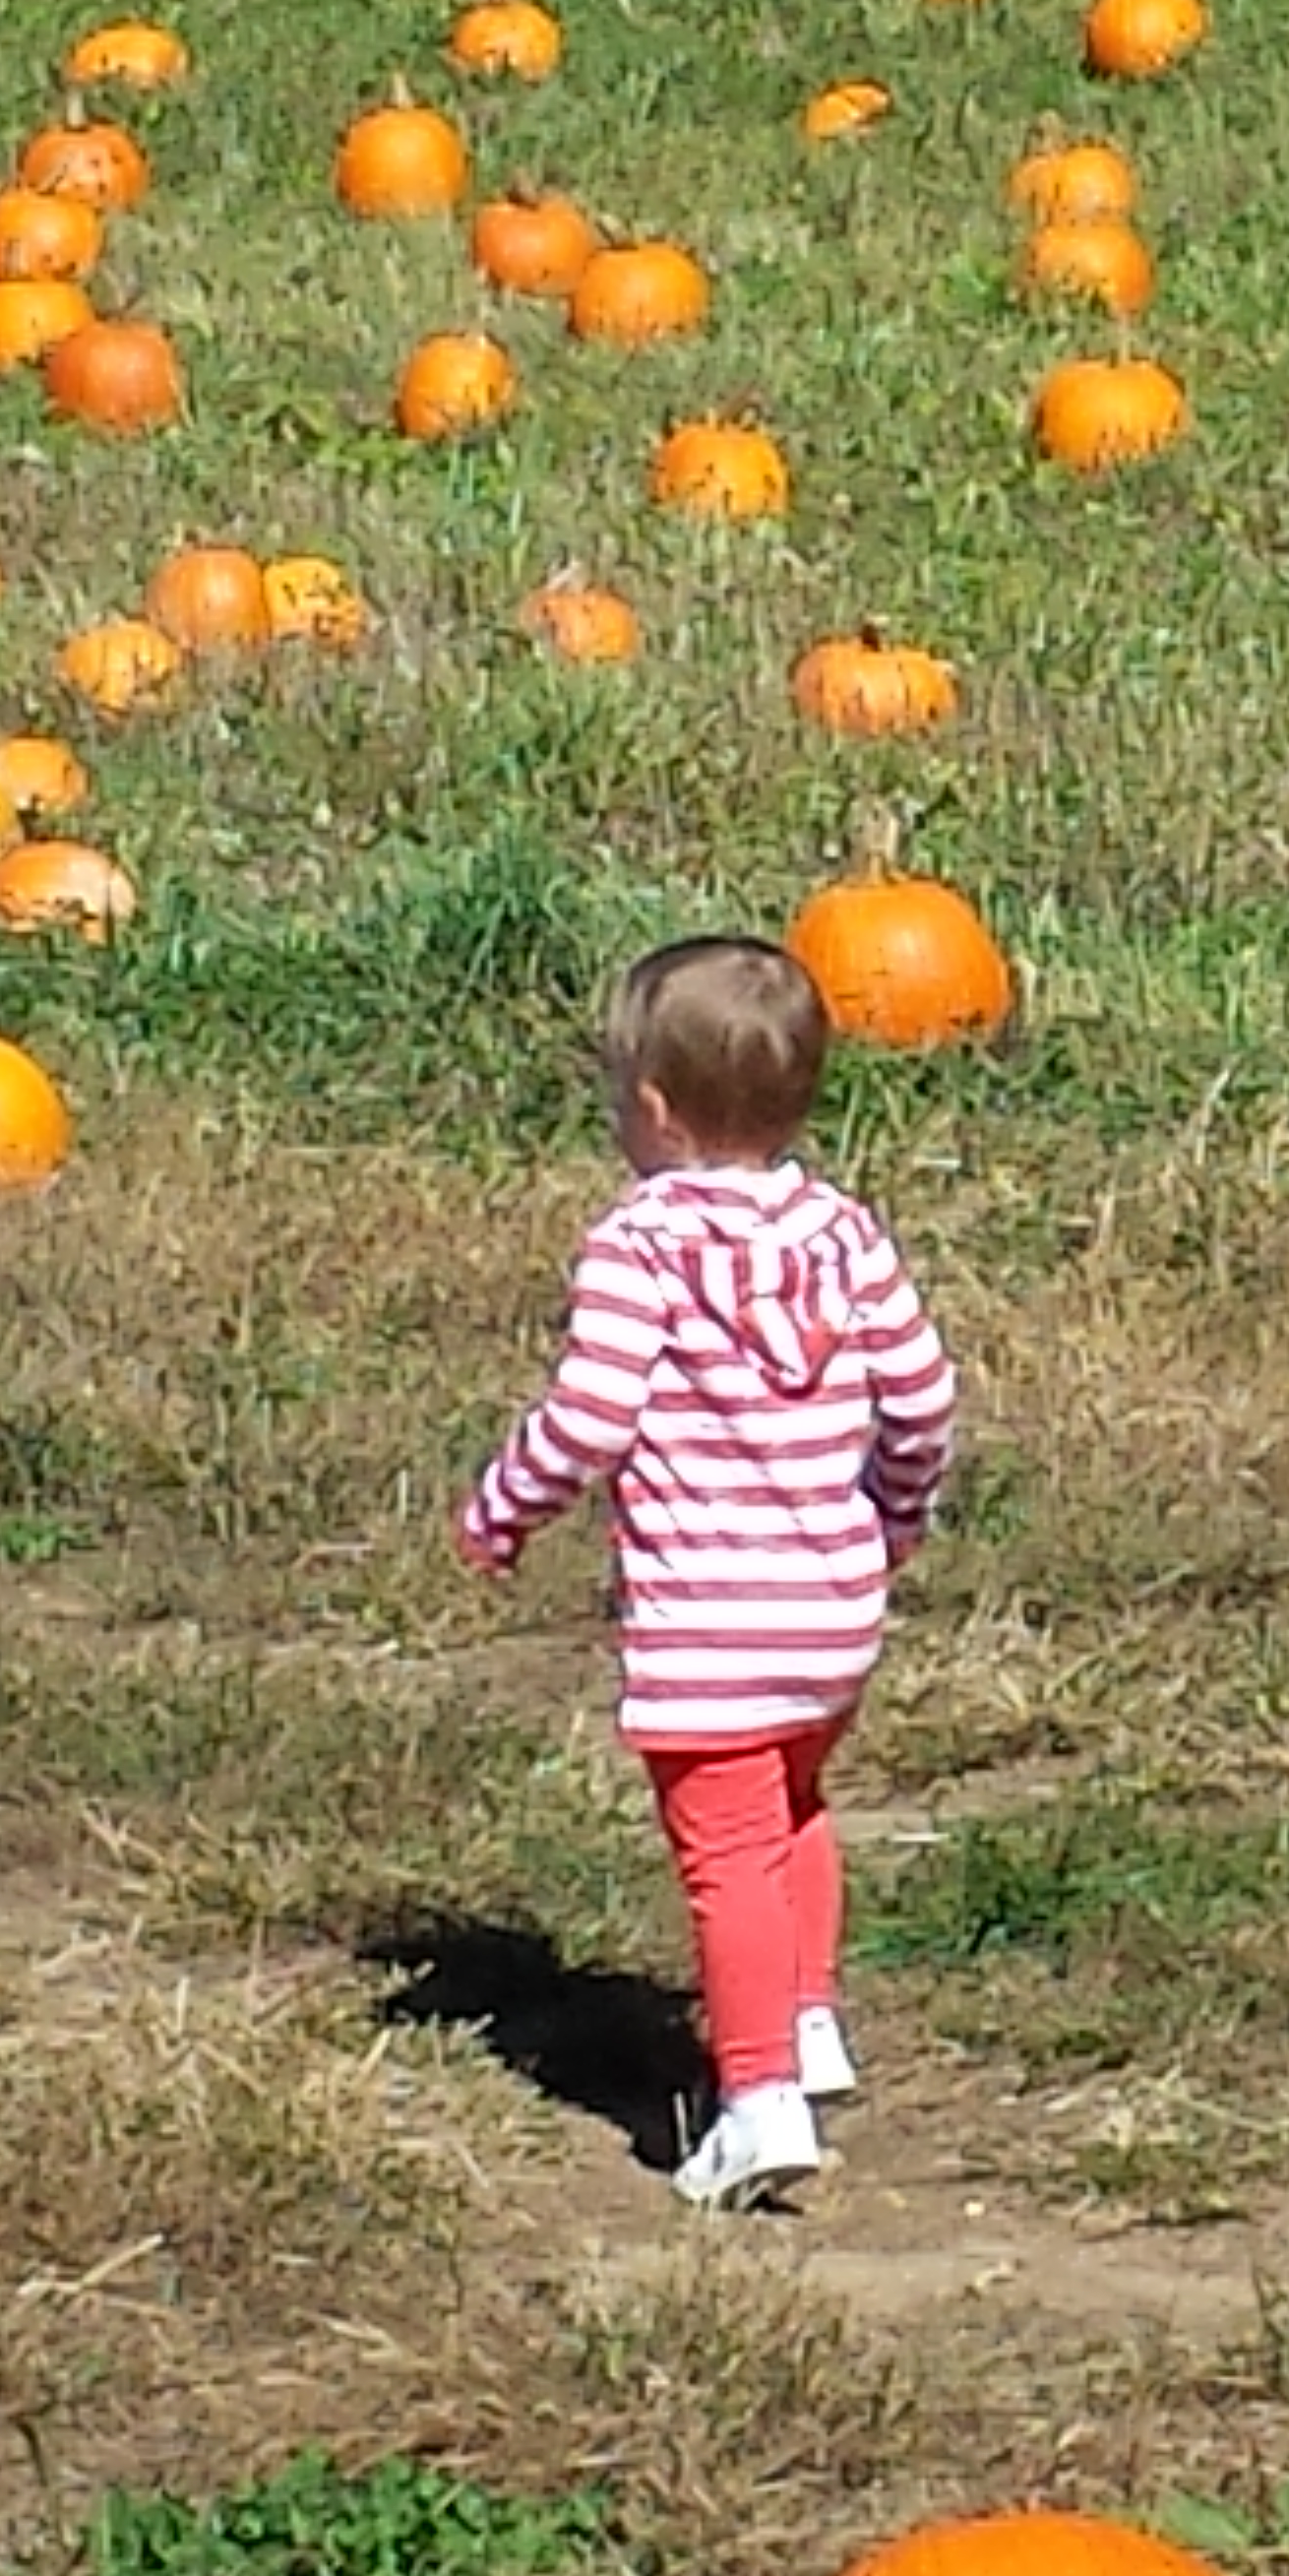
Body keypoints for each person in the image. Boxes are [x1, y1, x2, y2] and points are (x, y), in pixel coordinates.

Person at [457, 937, 957, 2212]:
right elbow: (921, 1393)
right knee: (794, 1809)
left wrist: (503, 1506)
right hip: (833, 1610)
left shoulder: (642, 1244)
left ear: (658, 1111)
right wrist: (893, 1512)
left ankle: (754, 2102)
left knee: (726, 1852)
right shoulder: (840, 1228)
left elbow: (589, 1418)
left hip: (711, 1618)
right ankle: (804, 2020)